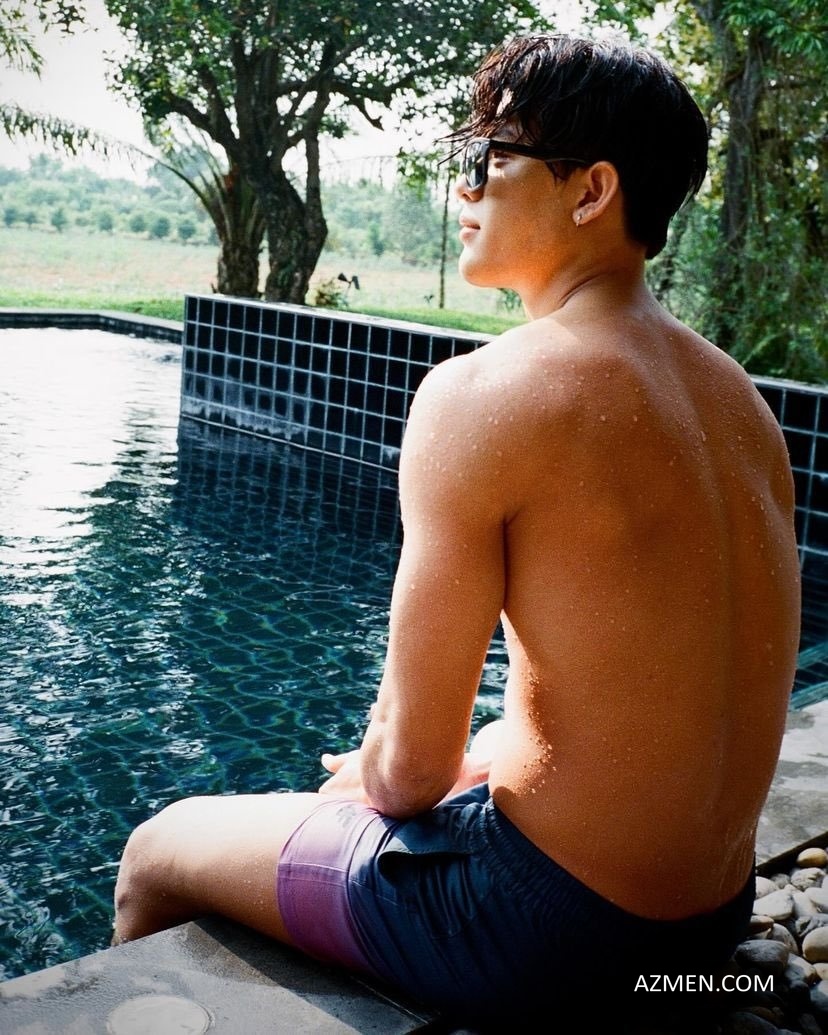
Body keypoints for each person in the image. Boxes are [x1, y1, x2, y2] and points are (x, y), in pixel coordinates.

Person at [113, 34, 801, 1026]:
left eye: (490, 155)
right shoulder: (740, 405)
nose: (464, 184)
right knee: (489, 744)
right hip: (703, 934)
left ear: (591, 190)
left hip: (550, 935)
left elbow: (409, 778)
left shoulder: (483, 395)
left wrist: (377, 774)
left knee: (157, 849)